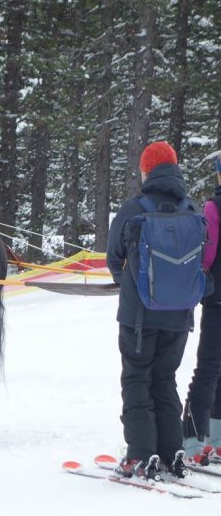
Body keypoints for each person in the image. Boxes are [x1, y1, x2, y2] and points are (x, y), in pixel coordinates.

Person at [106, 140, 200, 479]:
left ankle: (140, 454)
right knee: (164, 378)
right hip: (180, 317)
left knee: (136, 379)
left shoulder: (134, 209)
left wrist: (130, 284)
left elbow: (113, 258)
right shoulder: (192, 209)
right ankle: (171, 449)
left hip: (139, 317)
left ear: (146, 170)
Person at [182, 156, 221, 458]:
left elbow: (207, 256)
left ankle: (194, 438)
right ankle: (218, 436)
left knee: (208, 367)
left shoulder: (214, 207)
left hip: (218, 299)